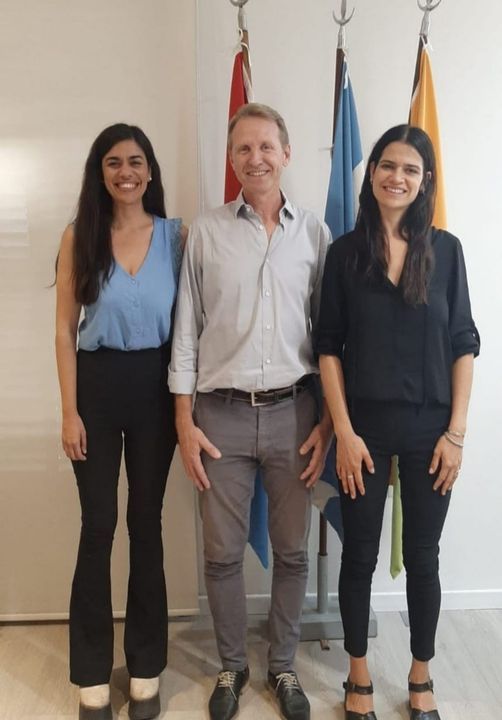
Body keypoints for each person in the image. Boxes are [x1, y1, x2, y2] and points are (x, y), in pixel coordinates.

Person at [169, 103, 332, 720]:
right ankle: (232, 666)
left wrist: (327, 420)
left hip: (296, 415)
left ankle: (283, 664)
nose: (255, 158)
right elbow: (186, 333)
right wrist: (184, 422)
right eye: (243, 148)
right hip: (220, 418)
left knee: (292, 552)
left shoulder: (314, 234)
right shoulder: (206, 233)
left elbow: (330, 339)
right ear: (231, 158)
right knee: (220, 555)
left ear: (286, 154)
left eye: (266, 146)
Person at [316, 124, 479, 720]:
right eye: (388, 165)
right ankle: (357, 677)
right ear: (372, 173)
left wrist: (456, 433)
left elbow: (464, 344)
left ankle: (420, 675)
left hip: (431, 432)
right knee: (358, 555)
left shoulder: (447, 251)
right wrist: (342, 431)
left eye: (410, 169)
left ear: (425, 180)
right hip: (361, 431)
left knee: (424, 557)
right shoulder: (345, 253)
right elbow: (327, 347)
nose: (397, 177)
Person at [55, 123, 185, 720]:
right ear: (100, 172)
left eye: (135, 161)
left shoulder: (175, 237)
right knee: (98, 525)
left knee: (145, 524)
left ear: (150, 171)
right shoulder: (78, 236)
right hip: (97, 388)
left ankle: (145, 668)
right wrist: (69, 411)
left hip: (156, 386)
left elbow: (188, 329)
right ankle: (90, 675)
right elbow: (64, 331)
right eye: (113, 162)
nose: (125, 172)